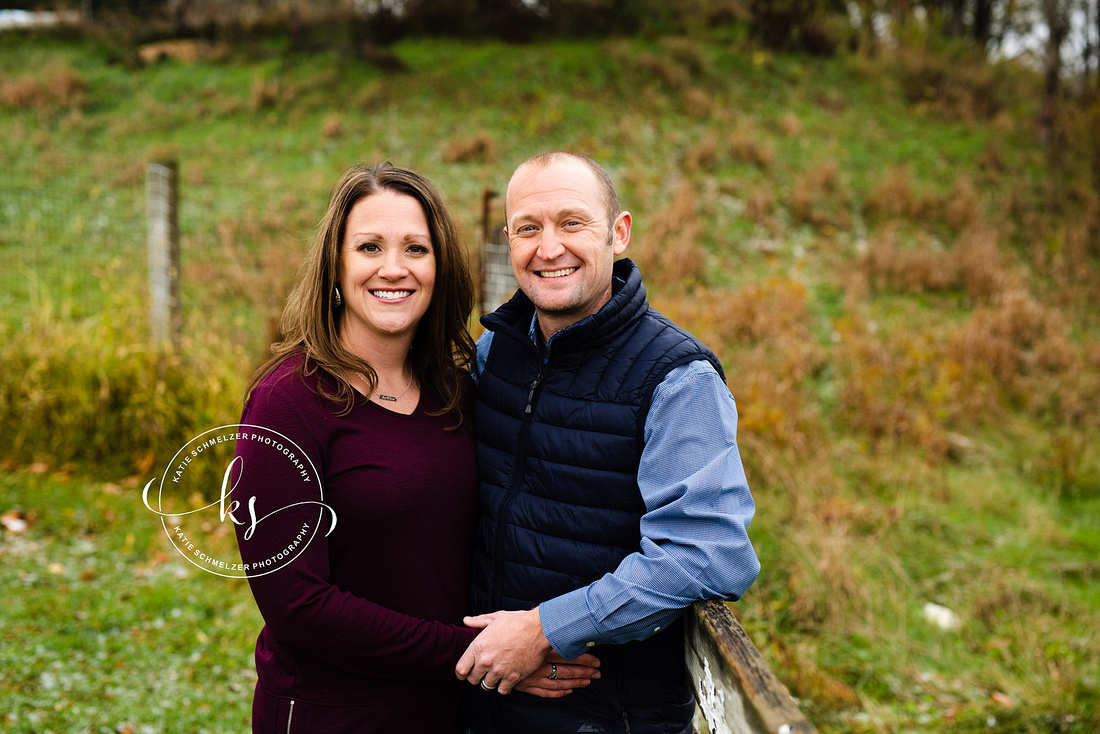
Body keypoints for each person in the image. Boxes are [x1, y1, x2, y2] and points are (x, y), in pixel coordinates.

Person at [233, 162, 597, 733]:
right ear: (336, 264)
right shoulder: (286, 404)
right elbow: (298, 608)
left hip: (449, 711)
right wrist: (476, 653)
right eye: (370, 247)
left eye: (416, 249)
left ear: (439, 266)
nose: (394, 269)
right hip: (334, 714)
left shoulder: (455, 389)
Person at [455, 151, 761, 734]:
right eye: (529, 229)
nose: (549, 248)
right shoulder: (496, 354)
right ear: (508, 242)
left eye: (572, 223)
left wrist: (545, 629)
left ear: (618, 233)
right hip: (485, 700)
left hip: (607, 714)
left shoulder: (676, 378)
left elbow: (708, 554)